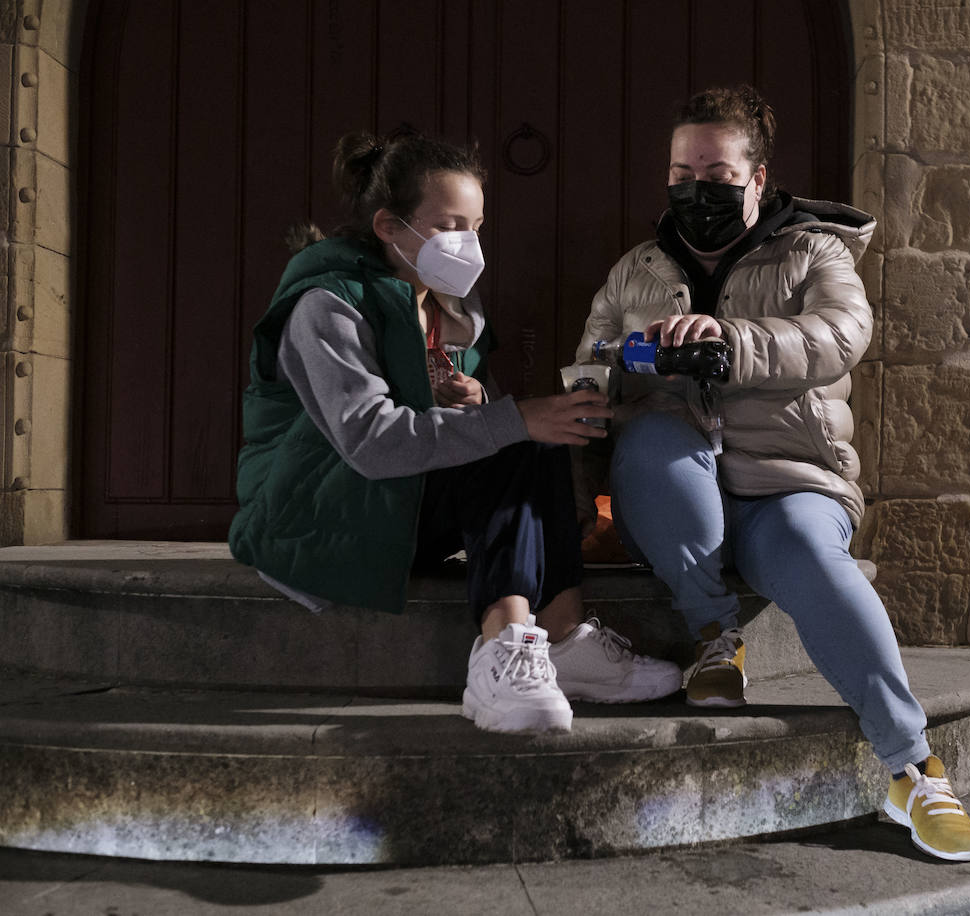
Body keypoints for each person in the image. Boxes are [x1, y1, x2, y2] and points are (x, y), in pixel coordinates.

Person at [574, 87, 970, 862]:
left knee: (811, 556)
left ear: (758, 179)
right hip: (673, 492)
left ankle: (913, 768)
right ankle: (713, 635)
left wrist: (730, 343)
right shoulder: (636, 273)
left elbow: (841, 334)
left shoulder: (814, 252)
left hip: (790, 480)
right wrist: (638, 358)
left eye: (718, 171)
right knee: (657, 446)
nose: (697, 186)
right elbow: (585, 367)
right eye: (681, 169)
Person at [230, 125, 681, 735]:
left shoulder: (449, 311)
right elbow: (372, 442)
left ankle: (565, 638)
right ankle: (502, 647)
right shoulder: (327, 306)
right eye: (448, 227)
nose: (467, 244)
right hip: (314, 515)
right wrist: (507, 417)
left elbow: (475, 434)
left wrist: (483, 403)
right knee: (520, 429)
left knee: (535, 435)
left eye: (475, 227)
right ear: (390, 226)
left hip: (393, 508)